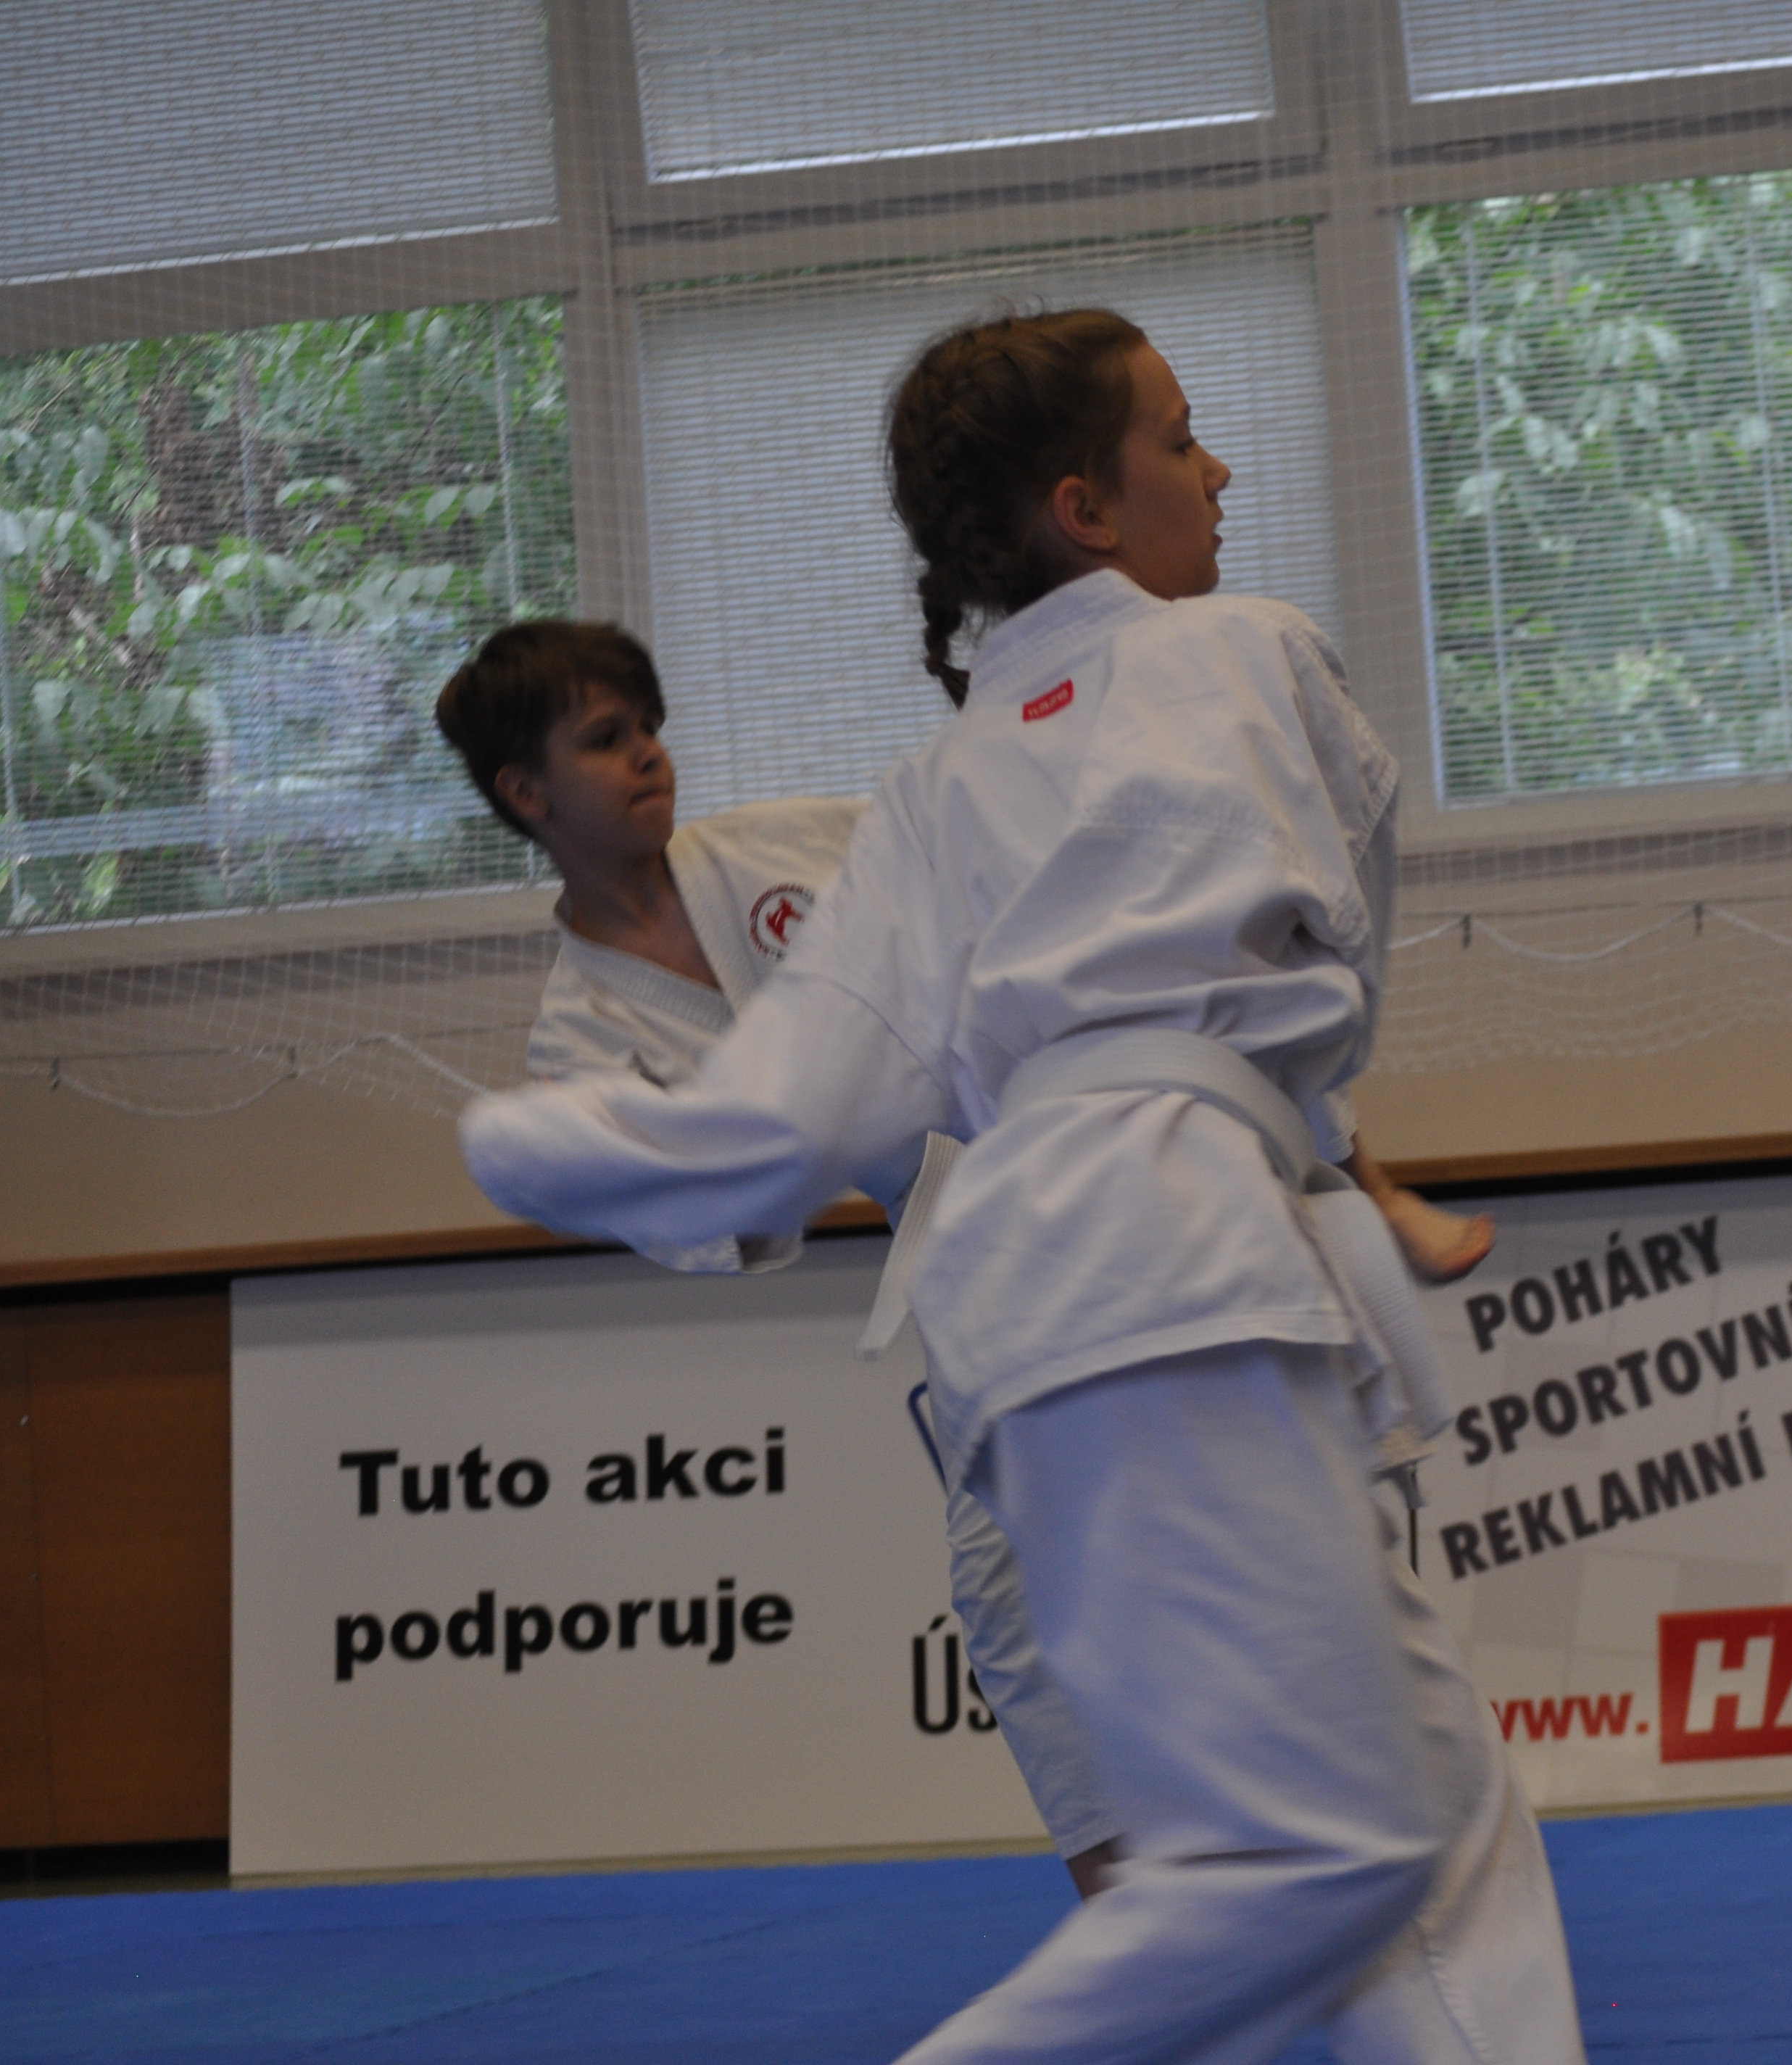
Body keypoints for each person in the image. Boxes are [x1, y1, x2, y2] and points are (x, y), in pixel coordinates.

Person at [457, 310, 1581, 2064]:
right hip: (1175, 1240)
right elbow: (1328, 945)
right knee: (1327, 1851)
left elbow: (798, 1106)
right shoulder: (1248, 649)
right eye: (1183, 438)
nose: (1220, 470)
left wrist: (572, 1149)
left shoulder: (922, 790)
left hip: (1021, 1290)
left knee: (1408, 1799)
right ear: (1086, 506)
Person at [432, 620, 1501, 1913]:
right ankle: (1149, 1911)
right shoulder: (581, 1037)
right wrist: (775, 1133)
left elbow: (1023, 895)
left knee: (1202, 1031)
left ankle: (1374, 1196)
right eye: (608, 740)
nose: (650, 755)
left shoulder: (788, 846)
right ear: (527, 793)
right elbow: (717, 1213)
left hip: (1089, 1123)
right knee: (1016, 1602)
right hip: (973, 1240)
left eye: (649, 727)